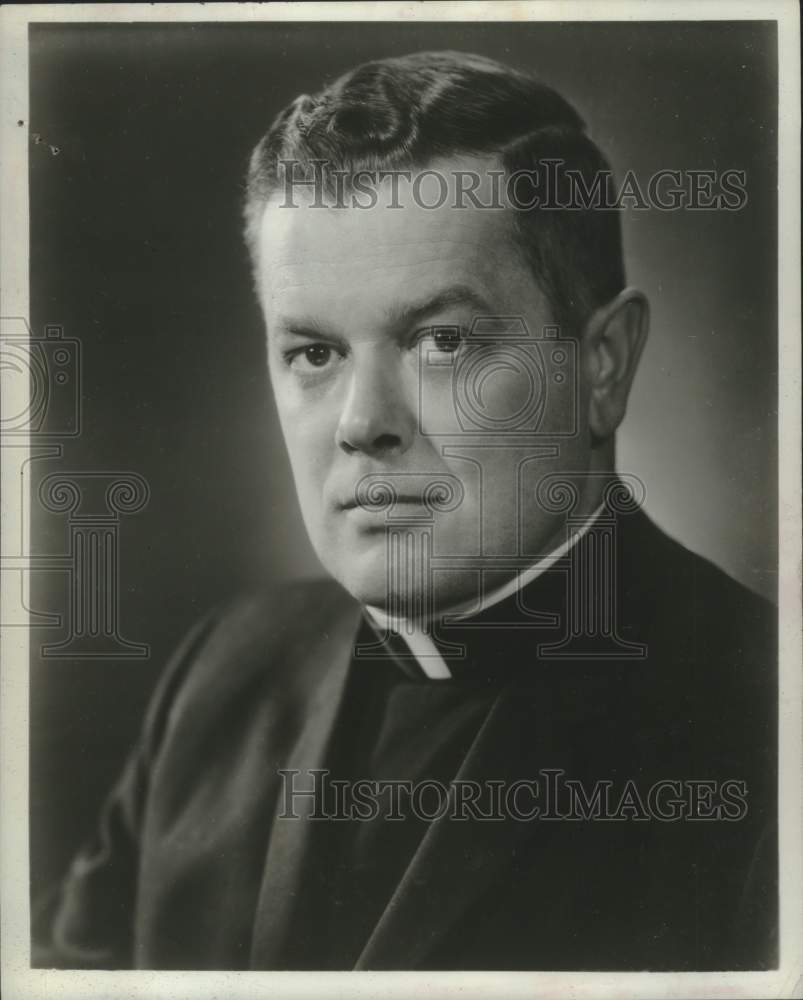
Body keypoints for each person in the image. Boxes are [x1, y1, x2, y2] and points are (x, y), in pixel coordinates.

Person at [33, 50, 777, 971]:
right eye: (313, 353)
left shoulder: (763, 731)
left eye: (441, 341)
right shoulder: (220, 678)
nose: (360, 425)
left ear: (602, 365)